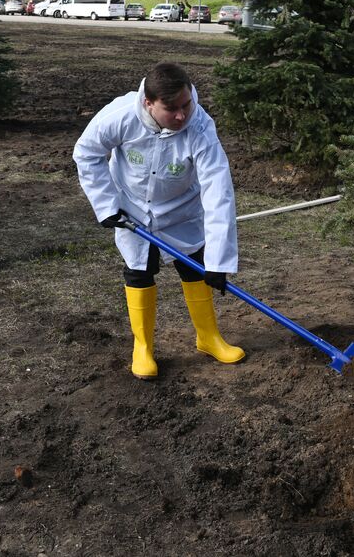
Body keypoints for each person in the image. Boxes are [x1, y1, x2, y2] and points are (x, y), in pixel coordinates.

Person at [73, 61, 244, 379]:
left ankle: (208, 338)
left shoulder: (200, 127)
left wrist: (220, 262)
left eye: (186, 104)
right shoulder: (121, 115)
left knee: (196, 267)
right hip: (132, 211)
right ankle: (143, 348)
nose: (182, 115)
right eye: (172, 109)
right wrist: (107, 205)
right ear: (148, 103)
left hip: (182, 212)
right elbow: (87, 152)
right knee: (140, 271)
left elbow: (219, 192)